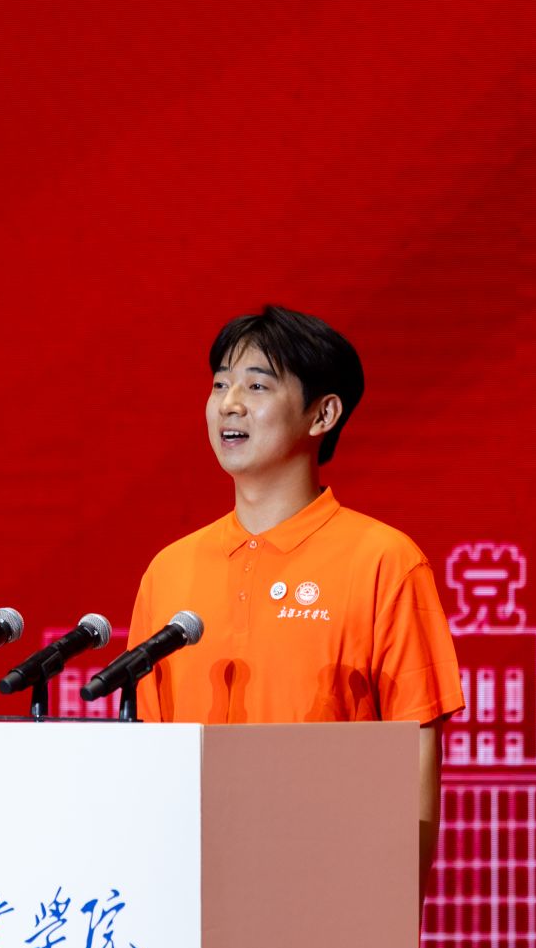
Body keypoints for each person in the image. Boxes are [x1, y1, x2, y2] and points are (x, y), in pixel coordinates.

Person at [123, 304, 465, 898]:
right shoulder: (170, 569)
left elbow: (413, 750)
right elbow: (147, 750)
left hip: (329, 890)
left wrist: (391, 914)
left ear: (322, 414)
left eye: (256, 386)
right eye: (220, 385)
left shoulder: (383, 560)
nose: (229, 404)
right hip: (188, 891)